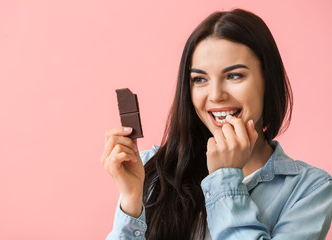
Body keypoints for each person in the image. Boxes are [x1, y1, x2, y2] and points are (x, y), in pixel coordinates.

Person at [100, 8, 332, 239]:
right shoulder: (153, 168)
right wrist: (131, 200)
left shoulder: (310, 189)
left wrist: (225, 178)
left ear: (267, 80)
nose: (216, 95)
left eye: (234, 76)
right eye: (200, 79)